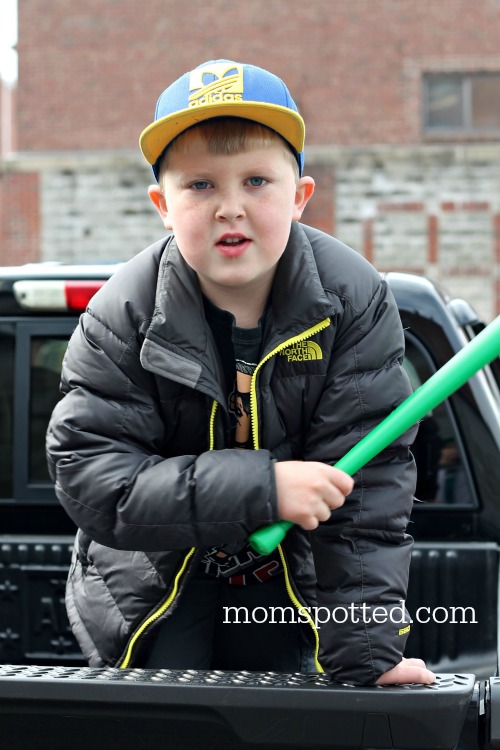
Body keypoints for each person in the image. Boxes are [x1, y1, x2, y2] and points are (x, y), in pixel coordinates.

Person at [46, 59, 434, 686]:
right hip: (156, 580)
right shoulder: (122, 312)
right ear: (162, 206)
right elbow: (93, 478)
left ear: (300, 197)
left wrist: (367, 653)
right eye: (200, 186)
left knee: (289, 715)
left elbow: (366, 491)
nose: (230, 207)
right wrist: (265, 489)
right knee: (176, 719)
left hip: (295, 580)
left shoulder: (354, 300)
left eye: (256, 181)